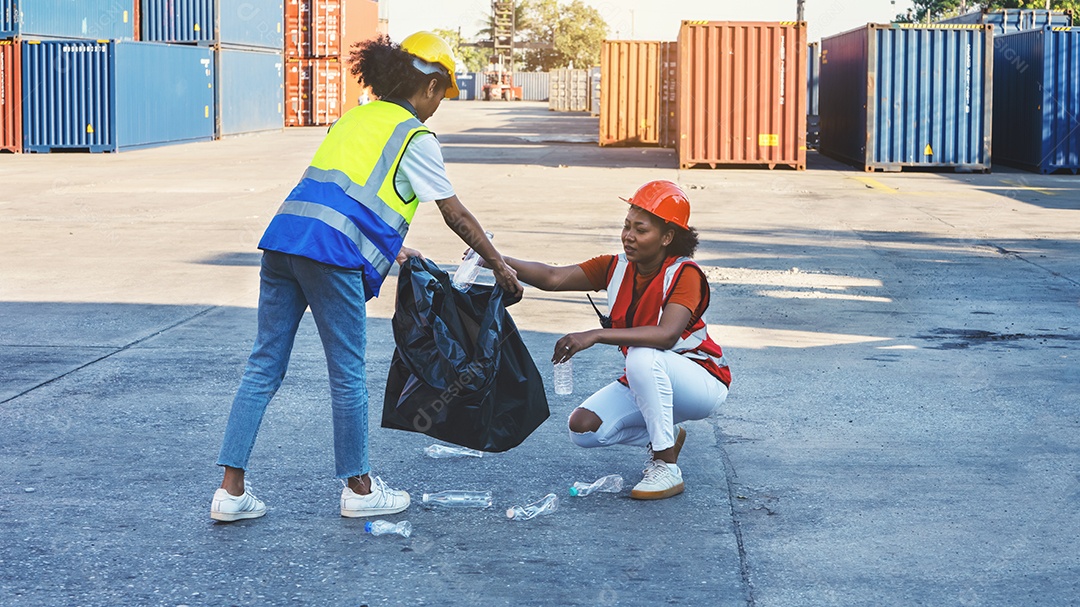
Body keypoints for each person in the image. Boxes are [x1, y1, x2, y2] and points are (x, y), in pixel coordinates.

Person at [210, 32, 522, 522]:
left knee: (264, 365)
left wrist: (396, 247)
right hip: (331, 256)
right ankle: (358, 486)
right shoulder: (413, 136)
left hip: (284, 240)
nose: (439, 105)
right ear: (432, 86)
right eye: (443, 94)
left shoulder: (354, 117)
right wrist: (500, 267)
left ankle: (230, 491)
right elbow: (455, 215)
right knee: (348, 373)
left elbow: (347, 193)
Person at [503, 180, 730, 500]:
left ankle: (666, 466)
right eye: (626, 226)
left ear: (667, 237)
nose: (628, 236)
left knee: (641, 355)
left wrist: (594, 334)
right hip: (652, 375)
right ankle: (666, 433)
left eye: (641, 229)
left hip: (700, 380)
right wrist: (495, 259)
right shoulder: (615, 267)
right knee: (582, 428)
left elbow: (666, 336)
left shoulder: (684, 273)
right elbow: (552, 278)